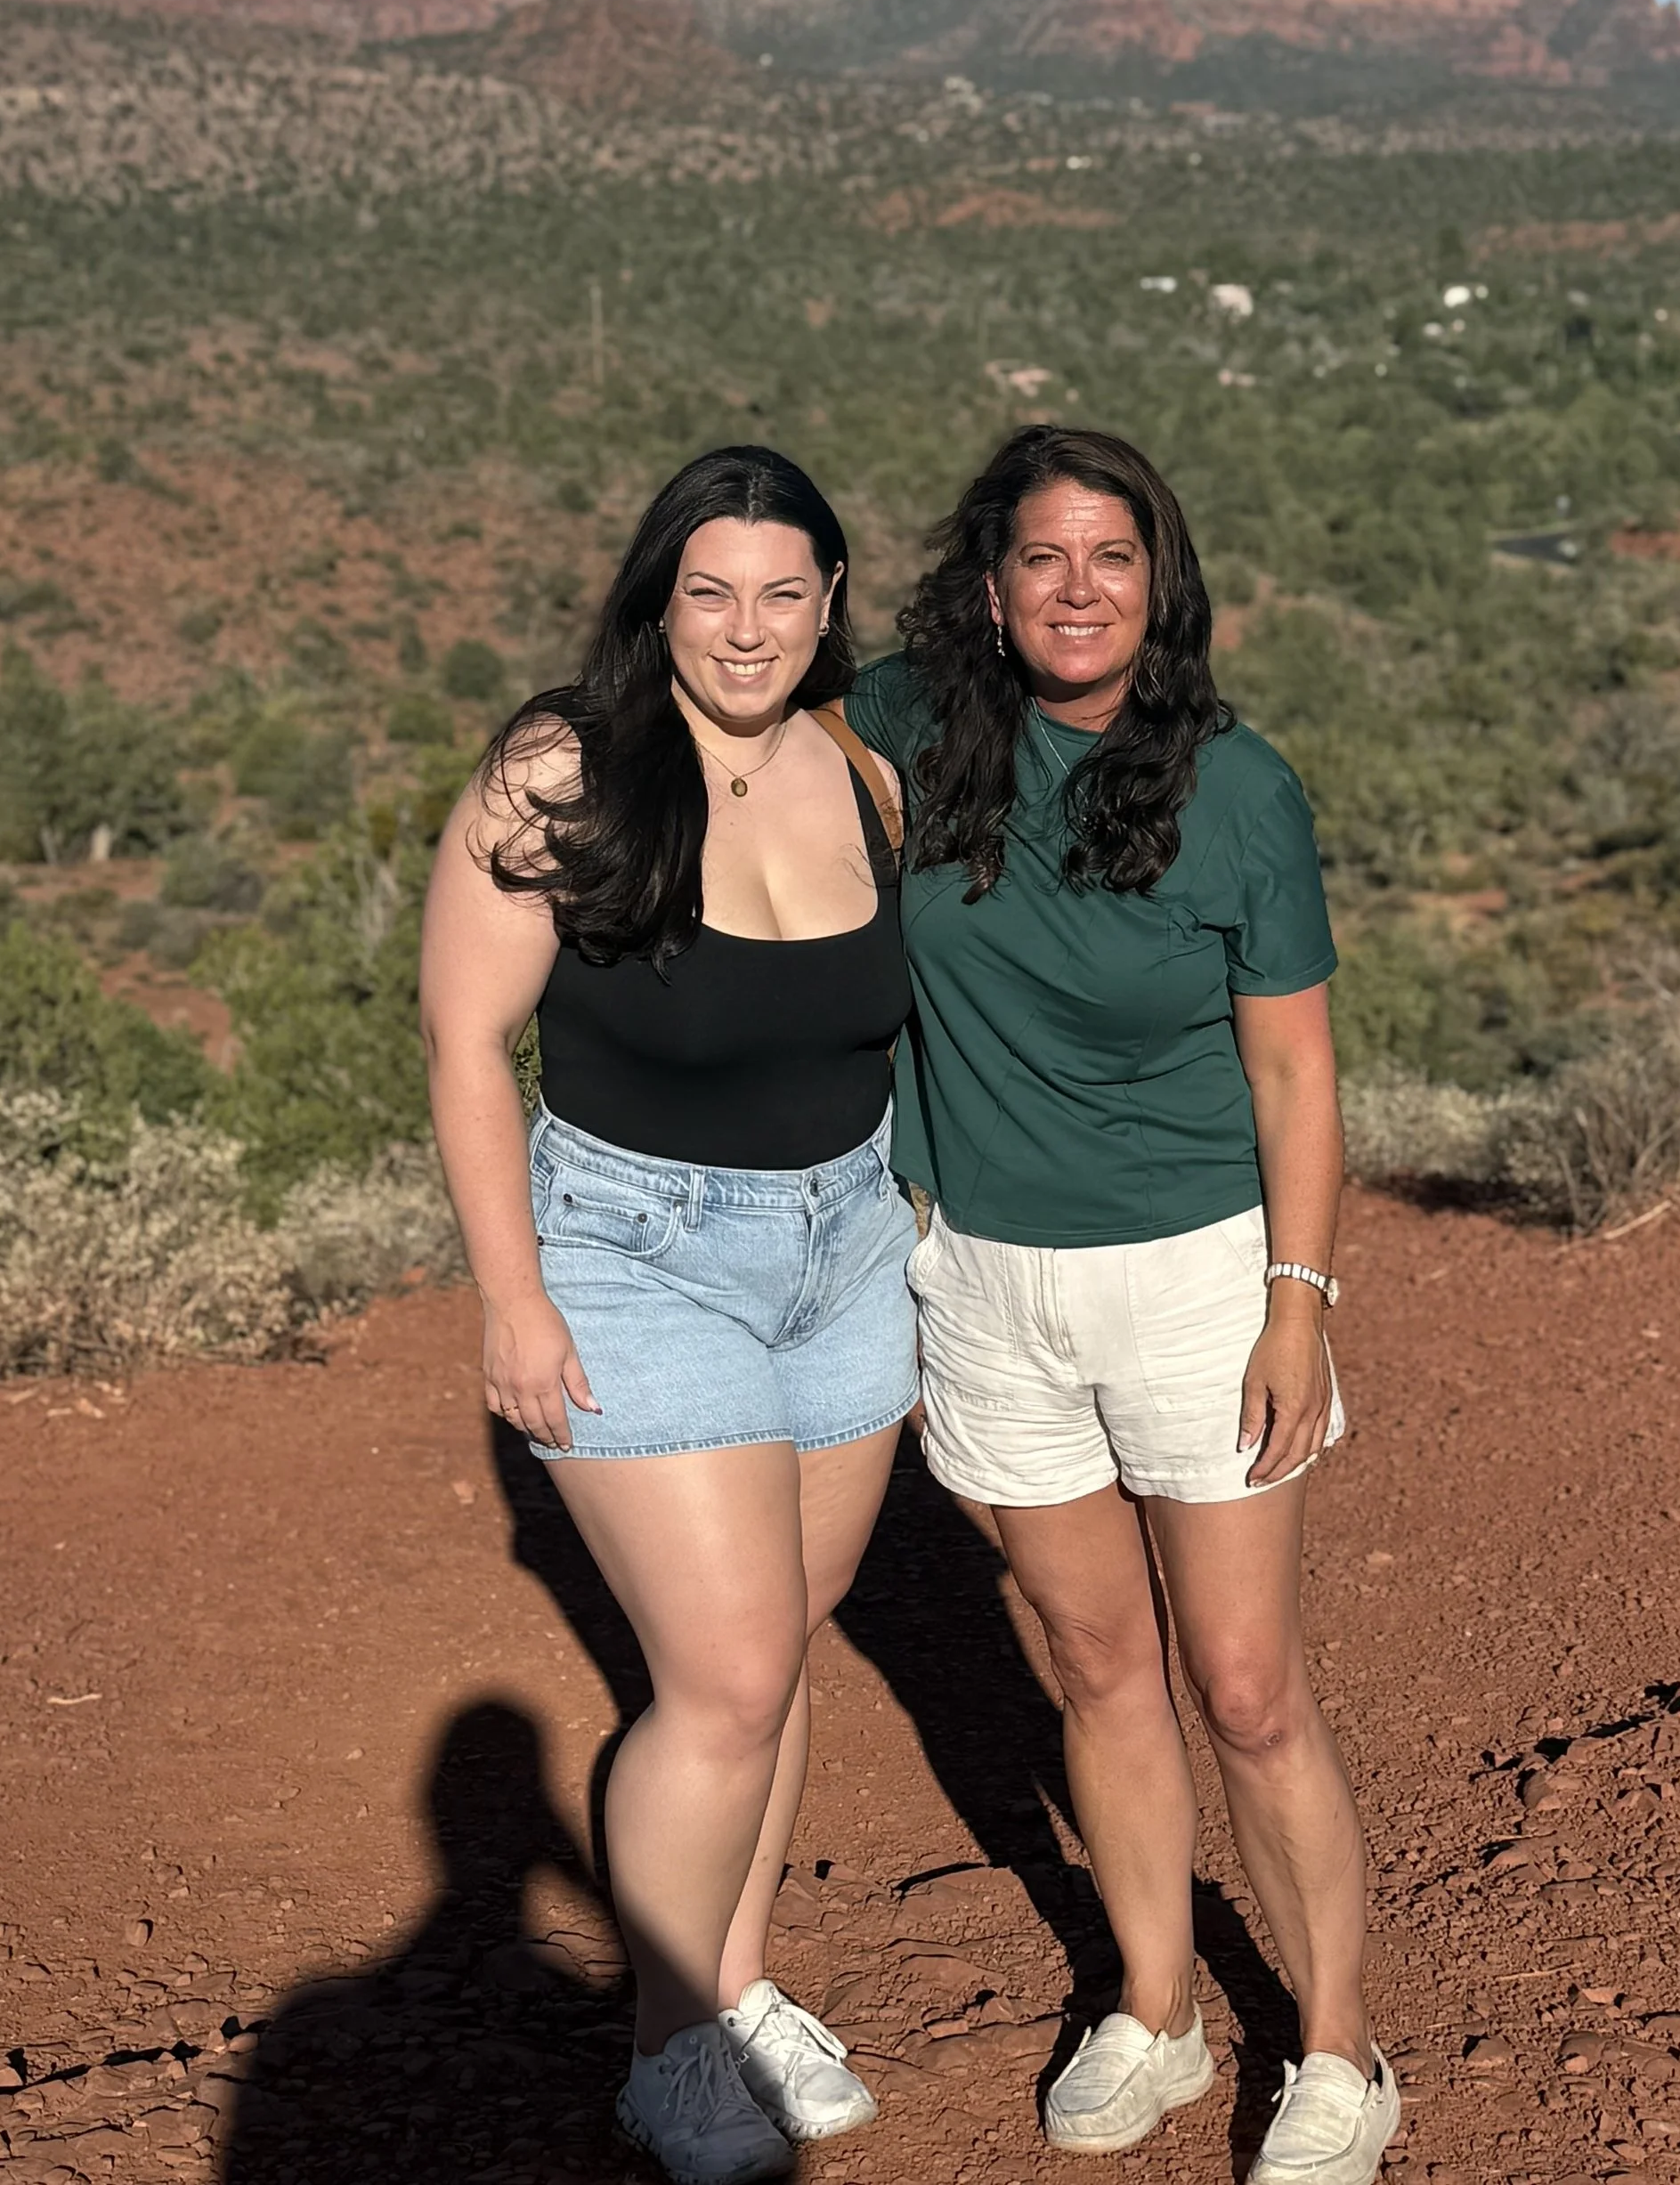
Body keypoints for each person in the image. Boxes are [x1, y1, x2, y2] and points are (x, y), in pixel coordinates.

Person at [845, 425, 1397, 2185]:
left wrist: (1294, 1306)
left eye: (1110, 557)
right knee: (1092, 1663)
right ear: (988, 591)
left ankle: (1333, 2051)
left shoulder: (1236, 788)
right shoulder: (916, 731)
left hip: (1195, 1281)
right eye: (1039, 559)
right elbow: (729, 684)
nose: (1075, 588)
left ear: (1157, 583)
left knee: (1242, 1685)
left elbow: (1297, 1074)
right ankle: (1156, 2012)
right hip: (986, 1282)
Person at [418, 446, 917, 2185]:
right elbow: (468, 1040)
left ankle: (734, 1973)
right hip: (632, 1250)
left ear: (831, 603)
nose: (746, 626)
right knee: (720, 1679)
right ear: (656, 595)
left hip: (846, 1248)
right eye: (709, 589)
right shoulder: (560, 771)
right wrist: (511, 1294)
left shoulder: (860, 772)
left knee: (780, 1649)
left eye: (784, 590)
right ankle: (670, 2047)